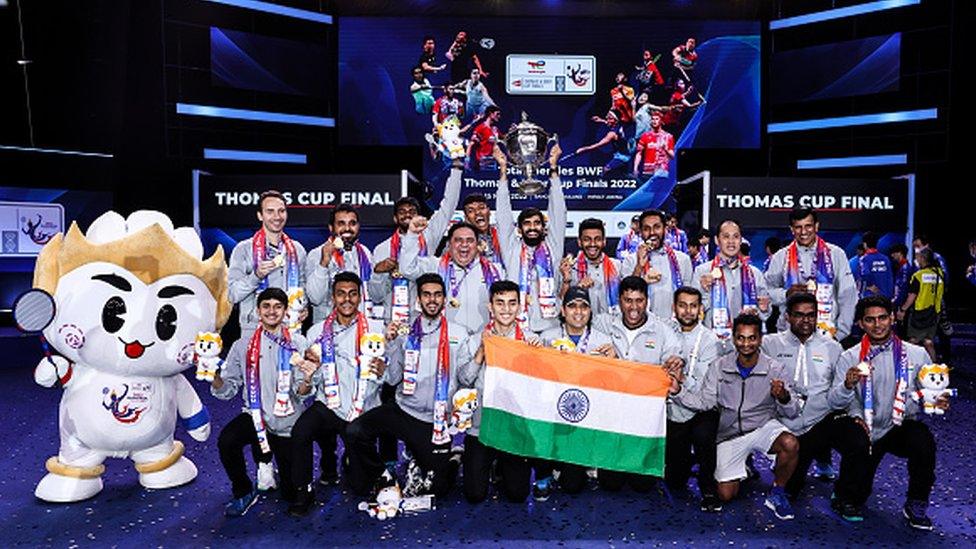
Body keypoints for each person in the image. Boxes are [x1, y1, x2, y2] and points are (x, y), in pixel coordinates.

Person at [346, 273, 474, 498]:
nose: (432, 300)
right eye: (426, 294)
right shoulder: (405, 332)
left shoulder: (459, 333)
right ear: (418, 299)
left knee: (438, 490)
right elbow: (393, 379)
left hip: (435, 420)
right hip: (404, 410)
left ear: (444, 299)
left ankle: (454, 458)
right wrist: (392, 343)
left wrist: (478, 358)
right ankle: (382, 475)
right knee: (355, 431)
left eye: (437, 295)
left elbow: (465, 378)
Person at [829, 296, 947, 530]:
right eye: (870, 320)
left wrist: (936, 401)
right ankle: (844, 494)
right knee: (857, 495)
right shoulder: (850, 357)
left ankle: (916, 502)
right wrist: (847, 385)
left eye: (883, 318)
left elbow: (927, 393)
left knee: (923, 442)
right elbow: (834, 402)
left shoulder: (915, 354)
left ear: (892, 318)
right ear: (861, 324)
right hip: (865, 427)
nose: (878, 325)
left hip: (899, 425)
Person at [675, 313, 801, 521]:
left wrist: (783, 397)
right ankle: (744, 469)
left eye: (752, 338)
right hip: (729, 434)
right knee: (725, 495)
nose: (746, 343)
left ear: (760, 339)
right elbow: (704, 402)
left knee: (790, 443)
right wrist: (677, 391)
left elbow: (792, 411)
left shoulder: (774, 369)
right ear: (733, 338)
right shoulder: (719, 366)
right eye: (741, 338)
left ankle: (778, 493)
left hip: (762, 427)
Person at [288, 273, 392, 516]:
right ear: (333, 297)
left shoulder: (377, 330)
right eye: (341, 293)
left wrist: (384, 371)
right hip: (329, 405)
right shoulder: (315, 332)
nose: (347, 299)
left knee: (360, 487)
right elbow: (304, 389)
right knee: (301, 431)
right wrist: (308, 374)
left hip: (363, 407)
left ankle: (362, 466)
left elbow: (392, 377)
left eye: (352, 293)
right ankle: (303, 490)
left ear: (360, 296)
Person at [762, 293, 869, 521]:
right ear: (787, 317)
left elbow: (843, 390)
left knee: (857, 438)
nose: (806, 321)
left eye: (811, 315)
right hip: (784, 423)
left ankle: (844, 497)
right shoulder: (770, 344)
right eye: (799, 315)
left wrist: (856, 413)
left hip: (821, 420)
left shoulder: (832, 347)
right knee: (791, 488)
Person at [212, 288, 308, 516]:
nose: (271, 311)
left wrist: (308, 380)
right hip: (255, 417)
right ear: (258, 311)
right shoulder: (242, 345)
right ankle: (243, 490)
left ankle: (288, 479)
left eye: (277, 307)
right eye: (266, 306)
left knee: (291, 494)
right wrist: (213, 378)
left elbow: (302, 393)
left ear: (285, 311)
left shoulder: (298, 343)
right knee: (227, 440)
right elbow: (229, 388)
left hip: (288, 422)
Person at [591, 275, 685, 492]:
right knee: (610, 484)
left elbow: (675, 355)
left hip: (645, 416)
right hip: (612, 413)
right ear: (619, 301)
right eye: (628, 300)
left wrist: (676, 361)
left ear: (647, 301)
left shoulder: (662, 330)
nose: (634, 307)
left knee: (642, 485)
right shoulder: (604, 324)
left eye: (639, 300)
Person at [538, 286, 616, 495]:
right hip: (553, 414)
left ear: (590, 312)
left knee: (572, 485)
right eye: (572, 306)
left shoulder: (603, 342)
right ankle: (545, 469)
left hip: (586, 416)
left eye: (584, 307)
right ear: (562, 311)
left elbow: (613, 384)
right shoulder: (547, 338)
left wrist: (613, 362)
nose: (578, 312)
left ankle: (583, 461)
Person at [372, 167, 462, 325]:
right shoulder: (382, 249)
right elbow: (376, 297)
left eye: (412, 211)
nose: (407, 214)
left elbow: (448, 207)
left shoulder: (428, 236)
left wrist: (456, 170)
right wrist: (379, 274)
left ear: (418, 216)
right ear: (395, 218)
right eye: (402, 211)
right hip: (393, 321)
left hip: (425, 318)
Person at [493, 142, 566, 336]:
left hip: (550, 327)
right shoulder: (511, 249)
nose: (533, 227)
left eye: (537, 223)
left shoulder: (553, 246)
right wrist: (502, 171)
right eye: (527, 223)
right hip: (517, 327)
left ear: (544, 227)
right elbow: (503, 216)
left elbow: (558, 211)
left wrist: (553, 169)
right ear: (520, 228)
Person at [666, 286, 723, 512]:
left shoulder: (709, 340)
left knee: (704, 434)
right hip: (674, 410)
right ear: (674, 307)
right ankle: (685, 463)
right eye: (682, 305)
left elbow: (701, 389)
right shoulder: (664, 330)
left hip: (701, 409)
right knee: (674, 481)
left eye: (693, 306)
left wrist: (680, 380)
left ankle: (708, 486)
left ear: (700, 309)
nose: (688, 311)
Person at [765, 208, 857, 341]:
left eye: (808, 226)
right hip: (788, 337)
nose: (803, 232)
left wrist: (840, 334)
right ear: (792, 229)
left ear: (816, 226)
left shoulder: (835, 254)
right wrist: (786, 294)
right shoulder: (781, 257)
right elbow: (766, 293)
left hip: (828, 335)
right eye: (798, 227)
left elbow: (848, 296)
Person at [399, 217, 502, 335]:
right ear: (449, 245)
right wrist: (412, 235)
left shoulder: (494, 271)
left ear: (477, 245)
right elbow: (407, 269)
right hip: (445, 344)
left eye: (470, 240)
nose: (464, 245)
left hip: (483, 342)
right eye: (458, 240)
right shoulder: (435, 266)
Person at [227, 191, 307, 337]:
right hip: (254, 328)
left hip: (290, 327)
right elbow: (233, 295)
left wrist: (303, 306)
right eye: (270, 211)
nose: (277, 217)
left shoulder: (297, 250)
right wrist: (256, 276)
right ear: (260, 215)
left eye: (281, 211)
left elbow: (302, 287)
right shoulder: (243, 249)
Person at [692, 219, 771, 348]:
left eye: (735, 237)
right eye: (726, 237)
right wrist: (704, 290)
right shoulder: (703, 271)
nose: (731, 242)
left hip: (746, 346)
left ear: (741, 240)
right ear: (717, 240)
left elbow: (765, 314)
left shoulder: (755, 274)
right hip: (713, 345)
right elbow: (695, 312)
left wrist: (764, 309)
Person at [306, 205, 375, 323]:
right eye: (341, 223)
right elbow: (315, 299)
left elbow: (373, 294)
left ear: (358, 226)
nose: (347, 228)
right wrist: (324, 263)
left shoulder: (365, 253)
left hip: (360, 327)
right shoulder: (317, 254)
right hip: (327, 329)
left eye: (352, 223)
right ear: (331, 227)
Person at [622, 209, 693, 320]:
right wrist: (639, 266)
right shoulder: (630, 261)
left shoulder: (683, 260)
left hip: (674, 326)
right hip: (642, 326)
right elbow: (627, 297)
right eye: (646, 229)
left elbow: (689, 297)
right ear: (640, 232)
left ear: (665, 229)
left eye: (657, 227)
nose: (652, 233)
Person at [559, 218, 623, 315]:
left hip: (612, 325)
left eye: (597, 239)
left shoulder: (617, 266)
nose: (592, 244)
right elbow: (561, 309)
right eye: (587, 240)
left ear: (604, 241)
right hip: (581, 326)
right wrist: (577, 288)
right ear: (579, 242)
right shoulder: (569, 269)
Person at [898, 248, 945, 360]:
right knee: (928, 341)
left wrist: (903, 310)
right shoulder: (940, 273)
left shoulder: (919, 275)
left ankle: (903, 366)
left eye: (918, 257)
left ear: (923, 258)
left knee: (912, 341)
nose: (916, 259)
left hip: (919, 313)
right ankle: (933, 367)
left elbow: (912, 296)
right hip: (935, 312)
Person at [575, 110, 631, 176]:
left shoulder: (611, 134)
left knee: (605, 170)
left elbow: (598, 145)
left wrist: (583, 149)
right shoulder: (618, 125)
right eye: (607, 118)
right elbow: (609, 122)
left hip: (623, 156)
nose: (607, 120)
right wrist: (601, 120)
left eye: (610, 118)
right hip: (623, 151)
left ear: (616, 120)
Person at [632, 111, 675, 179]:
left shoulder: (668, 136)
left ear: (661, 121)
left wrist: (665, 149)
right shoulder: (645, 136)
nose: (654, 121)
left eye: (656, 119)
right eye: (652, 119)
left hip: (661, 171)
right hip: (647, 171)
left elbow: (672, 156)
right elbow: (639, 153)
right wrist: (635, 168)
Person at [855, 232, 894, 299]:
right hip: (886, 298)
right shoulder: (886, 259)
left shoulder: (863, 260)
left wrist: (867, 288)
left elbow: (863, 278)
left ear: (865, 244)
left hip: (870, 298)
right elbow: (890, 279)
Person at [466, 106, 501, 171]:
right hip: (483, 162)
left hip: (493, 162)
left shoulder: (495, 129)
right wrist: (467, 160)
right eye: (497, 114)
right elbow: (471, 143)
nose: (499, 116)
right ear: (491, 114)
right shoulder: (481, 128)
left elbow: (503, 140)